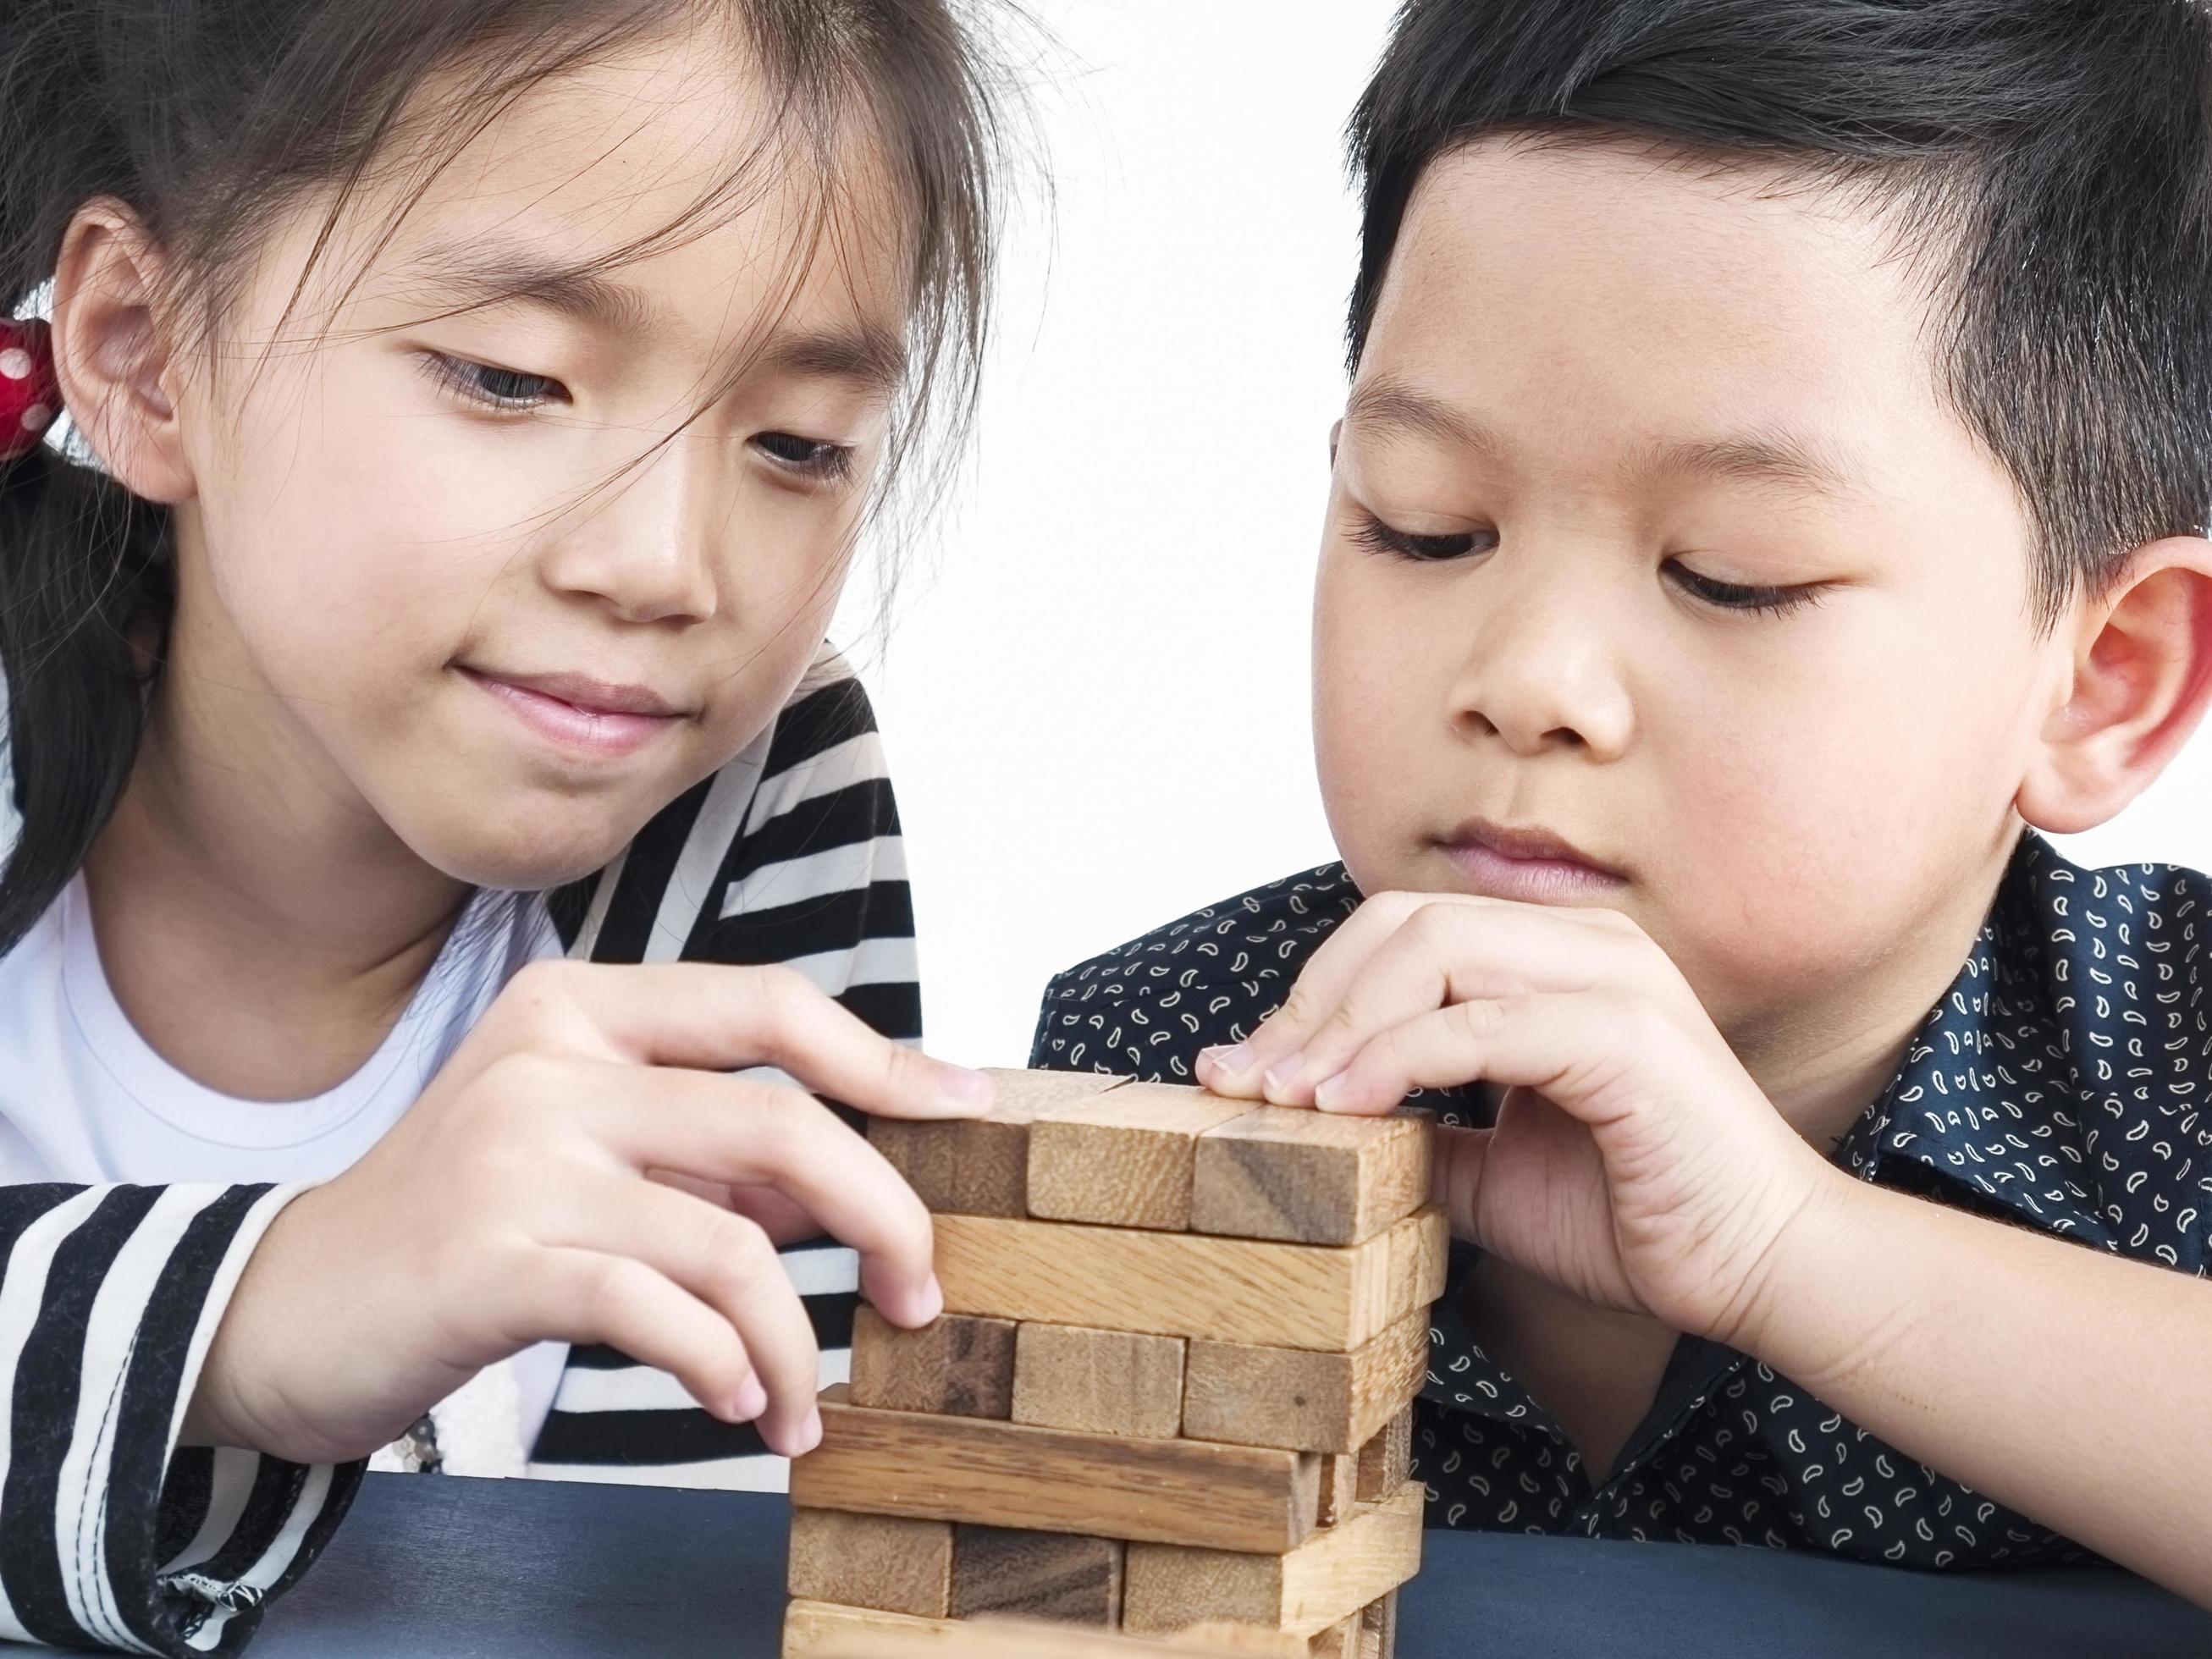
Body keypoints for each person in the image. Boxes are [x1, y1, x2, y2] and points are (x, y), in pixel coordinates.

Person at [1034, 0, 2212, 1607]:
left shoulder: (2179, 1064)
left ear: (2102, 679)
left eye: (1731, 575)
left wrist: (1793, 1252)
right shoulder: (1166, 1053)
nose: (1533, 681)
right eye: (1426, 528)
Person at [0, 0, 1012, 1649]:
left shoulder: (752, 799)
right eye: (512, 375)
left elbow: (689, 1581)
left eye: (797, 445)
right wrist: (264, 1304)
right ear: (143, 348)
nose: (666, 565)